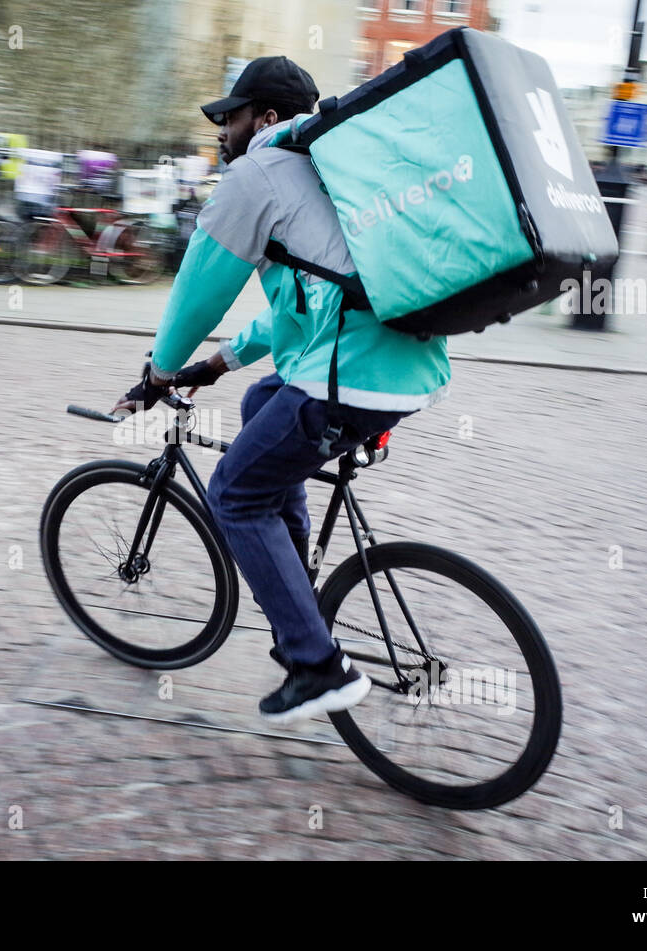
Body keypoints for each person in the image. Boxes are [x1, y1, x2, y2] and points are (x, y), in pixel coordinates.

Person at [111, 57, 450, 725]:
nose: (221, 131)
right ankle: (295, 586)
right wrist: (217, 365)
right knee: (260, 403)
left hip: (348, 376)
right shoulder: (329, 169)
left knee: (233, 495)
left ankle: (316, 665)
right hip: (404, 371)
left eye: (230, 116)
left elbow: (197, 291)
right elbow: (311, 299)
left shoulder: (258, 173)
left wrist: (158, 371)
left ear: (265, 118)